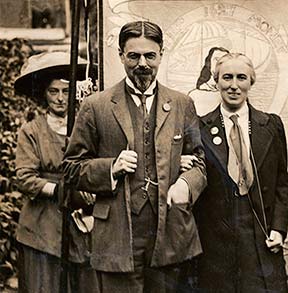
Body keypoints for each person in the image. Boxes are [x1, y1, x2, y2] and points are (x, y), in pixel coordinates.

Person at [63, 21, 207, 292]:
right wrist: (111, 168)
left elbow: (199, 161)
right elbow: (70, 168)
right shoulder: (96, 106)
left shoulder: (181, 104)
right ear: (120, 55)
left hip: (169, 234)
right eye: (134, 56)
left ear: (161, 54)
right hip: (118, 236)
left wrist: (186, 184)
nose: (142, 63)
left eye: (150, 55)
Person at [186, 52, 288, 292]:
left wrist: (279, 228)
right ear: (216, 81)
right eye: (227, 77)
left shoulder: (270, 126)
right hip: (216, 243)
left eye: (241, 77)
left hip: (261, 237)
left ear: (251, 82)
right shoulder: (199, 128)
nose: (233, 85)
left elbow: (283, 183)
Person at [14, 51, 98, 293]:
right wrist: (59, 190)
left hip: (79, 220)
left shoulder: (86, 129)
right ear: (44, 94)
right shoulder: (32, 131)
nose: (60, 98)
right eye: (54, 91)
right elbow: (25, 178)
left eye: (66, 91)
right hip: (42, 227)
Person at [188, 46, 229, 116]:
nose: (221, 64)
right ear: (209, 63)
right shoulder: (195, 95)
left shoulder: (233, 95)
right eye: (216, 59)